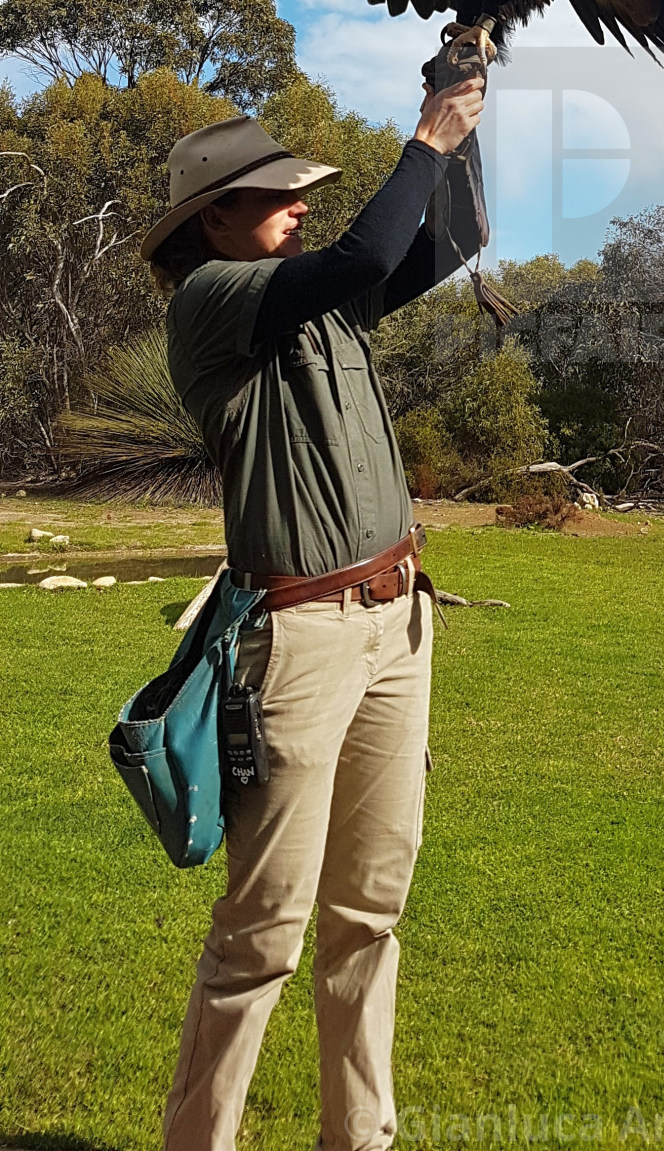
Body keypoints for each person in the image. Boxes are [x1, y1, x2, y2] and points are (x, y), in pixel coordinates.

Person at [140, 68, 486, 1151]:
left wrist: (467, 101)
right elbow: (371, 252)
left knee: (370, 909)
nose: (301, 203)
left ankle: (362, 1135)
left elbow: (455, 236)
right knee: (264, 929)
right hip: (298, 640)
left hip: (397, 619)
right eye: (279, 194)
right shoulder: (214, 299)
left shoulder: (319, 300)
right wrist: (423, 137)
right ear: (215, 218)